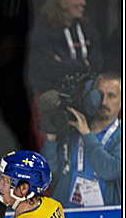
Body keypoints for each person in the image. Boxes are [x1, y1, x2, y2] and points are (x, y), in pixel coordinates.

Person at [40, 72, 121, 207]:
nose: (103, 102)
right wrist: (51, 139)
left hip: (105, 216)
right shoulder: (71, 129)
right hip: (65, 214)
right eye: (99, 95)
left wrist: (87, 134)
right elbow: (49, 177)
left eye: (111, 96)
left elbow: (110, 170)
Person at [27, 0, 103, 121]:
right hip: (53, 98)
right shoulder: (43, 31)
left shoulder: (88, 29)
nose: (83, 3)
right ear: (62, 1)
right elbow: (49, 69)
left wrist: (63, 62)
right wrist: (84, 64)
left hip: (86, 97)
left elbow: (97, 65)